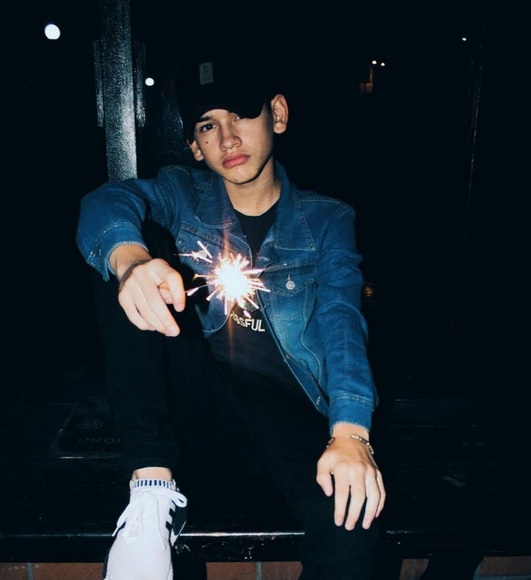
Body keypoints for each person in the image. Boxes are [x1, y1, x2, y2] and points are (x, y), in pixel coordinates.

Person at [76, 50, 386, 580]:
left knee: (351, 519)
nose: (227, 139)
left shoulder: (326, 219)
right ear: (194, 146)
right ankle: (151, 491)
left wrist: (351, 433)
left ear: (277, 114)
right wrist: (130, 262)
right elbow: (105, 203)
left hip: (284, 413)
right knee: (129, 249)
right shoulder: (181, 194)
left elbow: (341, 321)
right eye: (207, 125)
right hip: (195, 405)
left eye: (240, 114)